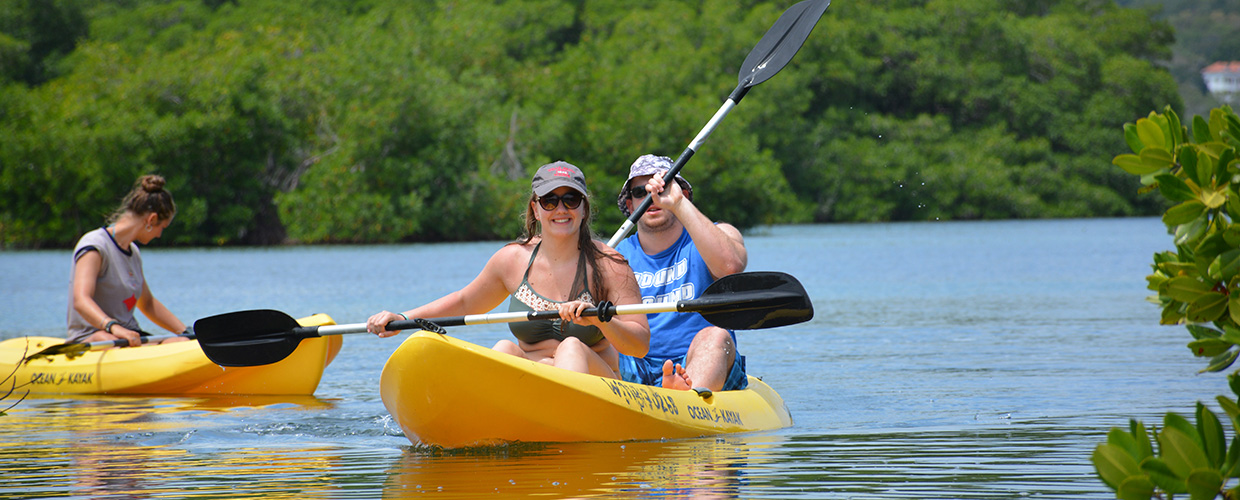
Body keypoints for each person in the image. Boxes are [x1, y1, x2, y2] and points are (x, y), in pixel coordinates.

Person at [367, 161, 649, 378]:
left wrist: (600, 320)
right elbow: (464, 302)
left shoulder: (610, 264)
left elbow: (640, 345)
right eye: (549, 201)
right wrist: (403, 318)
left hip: (599, 384)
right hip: (535, 379)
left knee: (572, 347)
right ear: (536, 209)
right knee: (503, 348)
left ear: (584, 209)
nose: (560, 209)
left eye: (571, 200)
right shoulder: (512, 260)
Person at [613, 154, 748, 392]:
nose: (651, 197)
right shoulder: (613, 255)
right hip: (634, 363)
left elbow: (731, 267)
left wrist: (677, 204)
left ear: (681, 193)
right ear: (631, 204)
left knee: (716, 336)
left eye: (661, 187)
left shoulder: (719, 233)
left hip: (698, 358)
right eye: (640, 192)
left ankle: (685, 395)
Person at [67, 174, 191, 346]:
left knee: (182, 342)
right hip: (95, 337)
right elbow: (81, 300)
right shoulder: (94, 245)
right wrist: (113, 327)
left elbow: (146, 303)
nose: (160, 234)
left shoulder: (133, 252)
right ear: (152, 220)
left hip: (130, 337)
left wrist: (186, 331)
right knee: (108, 338)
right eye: (162, 227)